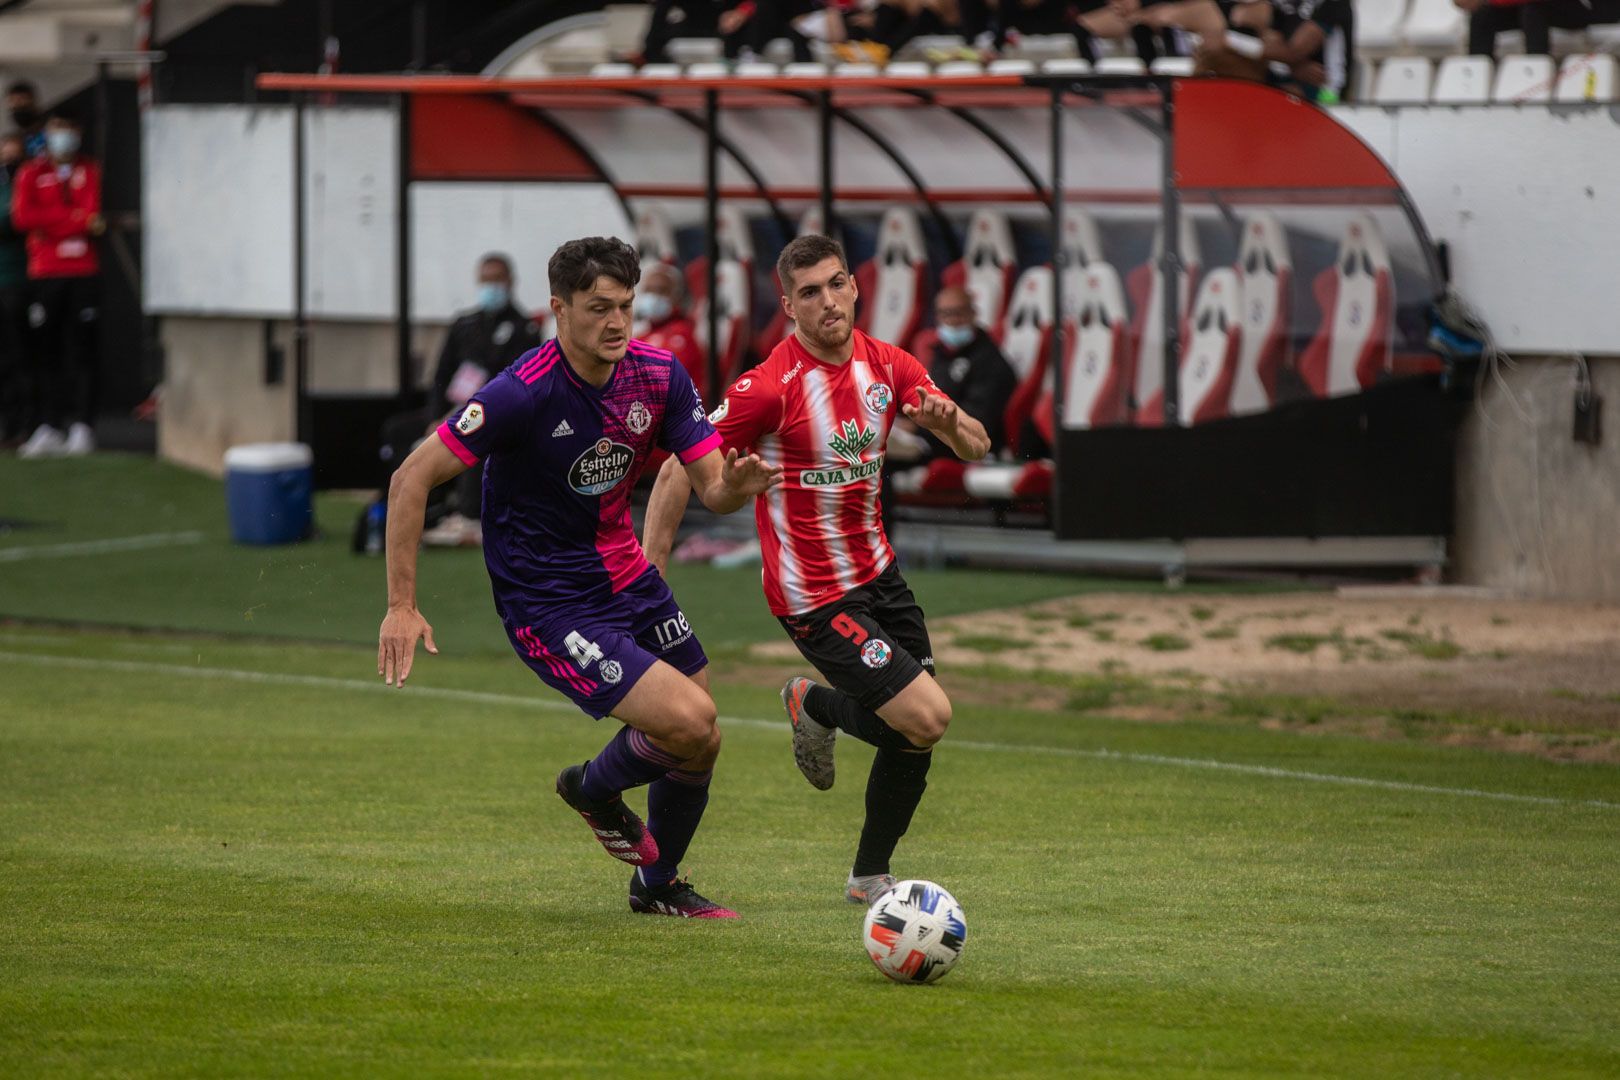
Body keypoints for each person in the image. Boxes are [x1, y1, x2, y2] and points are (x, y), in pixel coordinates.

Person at [378, 236, 782, 919]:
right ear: (558, 310)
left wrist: (737, 488)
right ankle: (592, 789)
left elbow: (713, 490)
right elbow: (410, 476)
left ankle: (657, 887)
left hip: (625, 577)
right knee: (692, 719)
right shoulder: (518, 394)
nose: (618, 322)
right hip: (548, 603)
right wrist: (401, 604)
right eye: (599, 308)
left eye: (626, 306)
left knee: (701, 738)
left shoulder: (658, 376)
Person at [642, 235, 991, 905]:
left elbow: (975, 445)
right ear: (788, 305)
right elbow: (674, 468)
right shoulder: (767, 389)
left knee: (913, 736)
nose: (827, 301)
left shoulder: (890, 366)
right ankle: (814, 702)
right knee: (928, 715)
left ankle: (868, 877)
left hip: (881, 577)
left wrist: (951, 425)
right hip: (813, 596)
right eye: (810, 292)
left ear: (855, 287)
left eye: (836, 284)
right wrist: (652, 576)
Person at [411, 253, 546, 546]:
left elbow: (516, 381)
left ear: (510, 282)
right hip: (451, 408)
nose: (491, 286)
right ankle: (412, 508)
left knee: (473, 429)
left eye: (497, 280)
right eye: (486, 280)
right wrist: (436, 415)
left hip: (488, 410)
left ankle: (468, 514)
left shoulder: (526, 329)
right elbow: (441, 374)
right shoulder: (464, 324)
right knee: (398, 431)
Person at [11, 112, 103, 458]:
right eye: (57, 133)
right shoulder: (32, 172)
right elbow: (24, 217)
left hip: (83, 271)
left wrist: (54, 226)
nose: (64, 139)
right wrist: (74, 221)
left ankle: (83, 427)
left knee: (83, 349)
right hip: (46, 273)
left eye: (69, 132)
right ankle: (47, 425)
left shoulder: (89, 170)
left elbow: (92, 214)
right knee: (44, 352)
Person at [1458, 0, 1620, 58]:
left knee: (1534, 10)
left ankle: (1536, 68)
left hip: (1592, 9)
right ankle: (1477, 73)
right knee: (1482, 15)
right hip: (1537, 10)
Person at [633, 262, 703, 393]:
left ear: (675, 296)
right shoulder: (641, 336)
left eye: (660, 290)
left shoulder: (683, 334)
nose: (653, 296)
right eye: (649, 290)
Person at [0, 132, 30, 445]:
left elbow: (19, 220)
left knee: (21, 355)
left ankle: (26, 424)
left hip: (19, 282)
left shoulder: (29, 181)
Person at [5, 82, 45, 160]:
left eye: (22, 101)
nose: (18, 106)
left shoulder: (50, 132)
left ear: (33, 102)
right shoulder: (15, 142)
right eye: (14, 107)